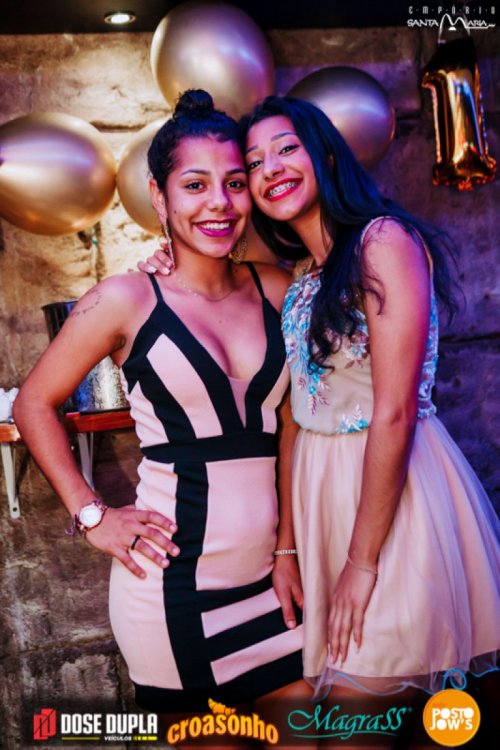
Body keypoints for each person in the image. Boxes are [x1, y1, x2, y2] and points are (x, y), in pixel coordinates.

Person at [144, 94, 500, 729]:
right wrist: (288, 548)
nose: (271, 169)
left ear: (326, 154)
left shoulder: (382, 242)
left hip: (390, 499)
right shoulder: (301, 274)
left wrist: (361, 564)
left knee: (358, 719)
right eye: (254, 163)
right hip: (322, 508)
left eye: (287, 148)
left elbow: (395, 412)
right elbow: (294, 413)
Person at [13, 91, 311, 724]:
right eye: (195, 185)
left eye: (235, 183)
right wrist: (92, 516)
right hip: (172, 597)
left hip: (274, 585)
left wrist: (288, 551)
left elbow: (293, 424)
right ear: (160, 196)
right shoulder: (126, 299)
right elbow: (35, 401)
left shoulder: (279, 289)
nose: (219, 203)